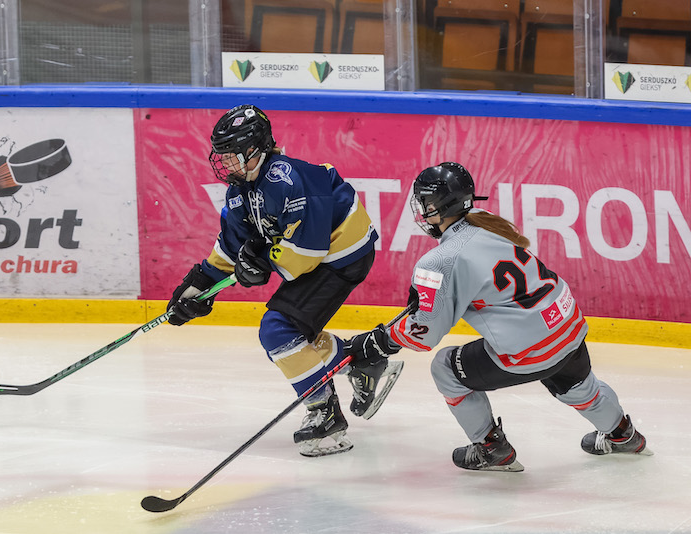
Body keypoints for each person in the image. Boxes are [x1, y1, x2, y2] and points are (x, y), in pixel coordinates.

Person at [343, 161, 652, 471]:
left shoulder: (438, 261)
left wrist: (381, 341)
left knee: (445, 368)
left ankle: (490, 448)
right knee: (581, 386)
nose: (422, 209)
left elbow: (426, 334)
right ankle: (624, 435)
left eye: (425, 202)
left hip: (532, 345)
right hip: (567, 322)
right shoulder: (487, 221)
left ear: (437, 206)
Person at [166, 104, 402, 457]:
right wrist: (197, 287)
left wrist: (260, 263)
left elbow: (306, 253)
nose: (224, 165)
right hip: (316, 259)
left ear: (253, 149)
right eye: (222, 157)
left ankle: (325, 415)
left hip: (342, 255)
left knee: (279, 331)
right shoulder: (241, 191)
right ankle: (359, 357)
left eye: (231, 156)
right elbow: (230, 249)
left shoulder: (287, 178)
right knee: (290, 340)